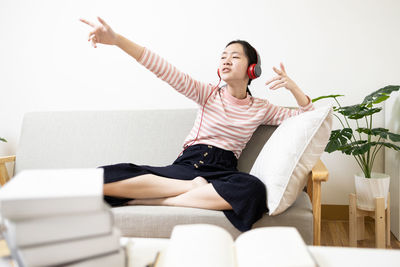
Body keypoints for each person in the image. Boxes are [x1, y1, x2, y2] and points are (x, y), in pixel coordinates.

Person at [80, 16, 315, 232]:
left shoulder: (261, 107)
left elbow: (308, 117)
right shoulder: (207, 93)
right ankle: (188, 187)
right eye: (223, 56)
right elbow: (161, 68)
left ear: (253, 69)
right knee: (101, 177)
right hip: (189, 165)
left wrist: (293, 87)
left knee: (253, 190)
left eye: (235, 56)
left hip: (223, 172)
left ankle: (156, 199)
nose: (226, 60)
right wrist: (117, 40)